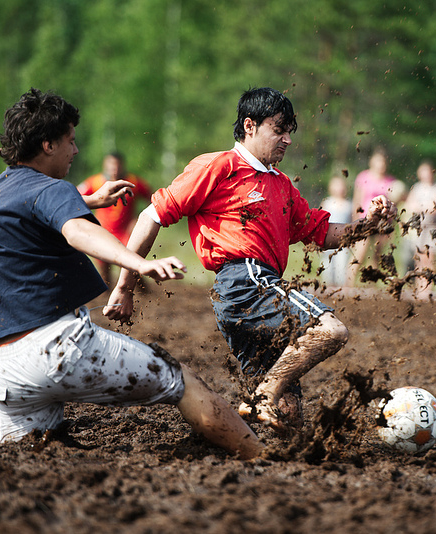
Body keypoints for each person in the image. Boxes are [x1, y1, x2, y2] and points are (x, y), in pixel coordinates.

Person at [0, 88, 262, 459]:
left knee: (31, 461)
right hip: (57, 351)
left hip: (6, 371)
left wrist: (88, 201)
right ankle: (263, 455)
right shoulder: (53, 189)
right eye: (70, 141)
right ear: (47, 145)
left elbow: (31, 210)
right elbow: (77, 231)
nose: (75, 151)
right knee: (181, 380)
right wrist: (138, 263)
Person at [104, 87, 396, 431]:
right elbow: (151, 216)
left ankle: (258, 427)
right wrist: (125, 286)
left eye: (290, 132)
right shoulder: (219, 166)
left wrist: (368, 226)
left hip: (248, 295)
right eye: (279, 130)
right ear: (250, 126)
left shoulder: (282, 184)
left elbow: (320, 233)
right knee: (329, 330)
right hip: (246, 282)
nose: (287, 139)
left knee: (289, 421)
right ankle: (264, 394)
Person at [77, 153, 153, 285]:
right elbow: (74, 198)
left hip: (124, 232)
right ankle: (106, 299)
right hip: (103, 231)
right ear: (105, 166)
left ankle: (146, 295)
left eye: (117, 165)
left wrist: (140, 219)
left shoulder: (133, 182)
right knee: (104, 269)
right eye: (111, 165)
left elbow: (152, 199)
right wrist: (86, 219)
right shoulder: (94, 182)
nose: (115, 169)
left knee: (132, 267)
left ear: (122, 166)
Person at [346, 147, 402, 286]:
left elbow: (394, 203)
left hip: (383, 222)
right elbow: (357, 200)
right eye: (378, 161)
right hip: (365, 220)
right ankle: (348, 286)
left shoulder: (390, 181)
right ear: (372, 161)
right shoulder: (363, 177)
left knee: (377, 255)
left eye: (383, 162)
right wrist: (355, 220)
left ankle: (371, 289)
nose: (381, 165)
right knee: (359, 253)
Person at [403, 160, 436, 299]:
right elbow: (410, 205)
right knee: (419, 259)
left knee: (430, 258)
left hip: (432, 228)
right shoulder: (417, 188)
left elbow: (435, 208)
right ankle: (419, 287)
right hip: (419, 228)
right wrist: (425, 206)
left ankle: (428, 288)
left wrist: (420, 206)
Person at [319, 175, 353, 287]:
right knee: (327, 267)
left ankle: (341, 289)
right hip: (327, 239)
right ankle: (328, 287)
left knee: (341, 266)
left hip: (343, 242)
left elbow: (352, 222)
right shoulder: (327, 203)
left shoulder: (349, 205)